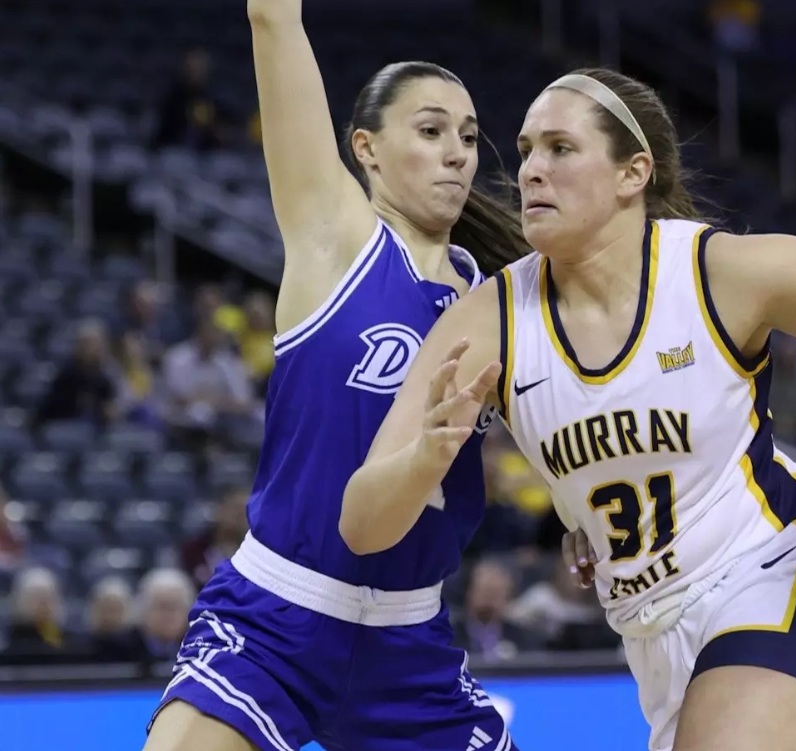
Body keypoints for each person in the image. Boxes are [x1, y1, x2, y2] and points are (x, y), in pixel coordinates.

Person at [341, 67, 796, 751]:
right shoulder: (488, 320)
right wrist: (423, 459)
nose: (529, 168)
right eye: (528, 149)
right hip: (658, 646)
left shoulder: (716, 272)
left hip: (785, 579)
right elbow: (362, 523)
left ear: (634, 173)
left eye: (561, 148)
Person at [142, 0, 528, 749]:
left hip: (412, 639)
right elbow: (272, 18)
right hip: (277, 613)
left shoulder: (497, 300)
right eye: (430, 130)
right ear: (366, 149)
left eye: (470, 137)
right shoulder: (336, 236)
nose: (457, 152)